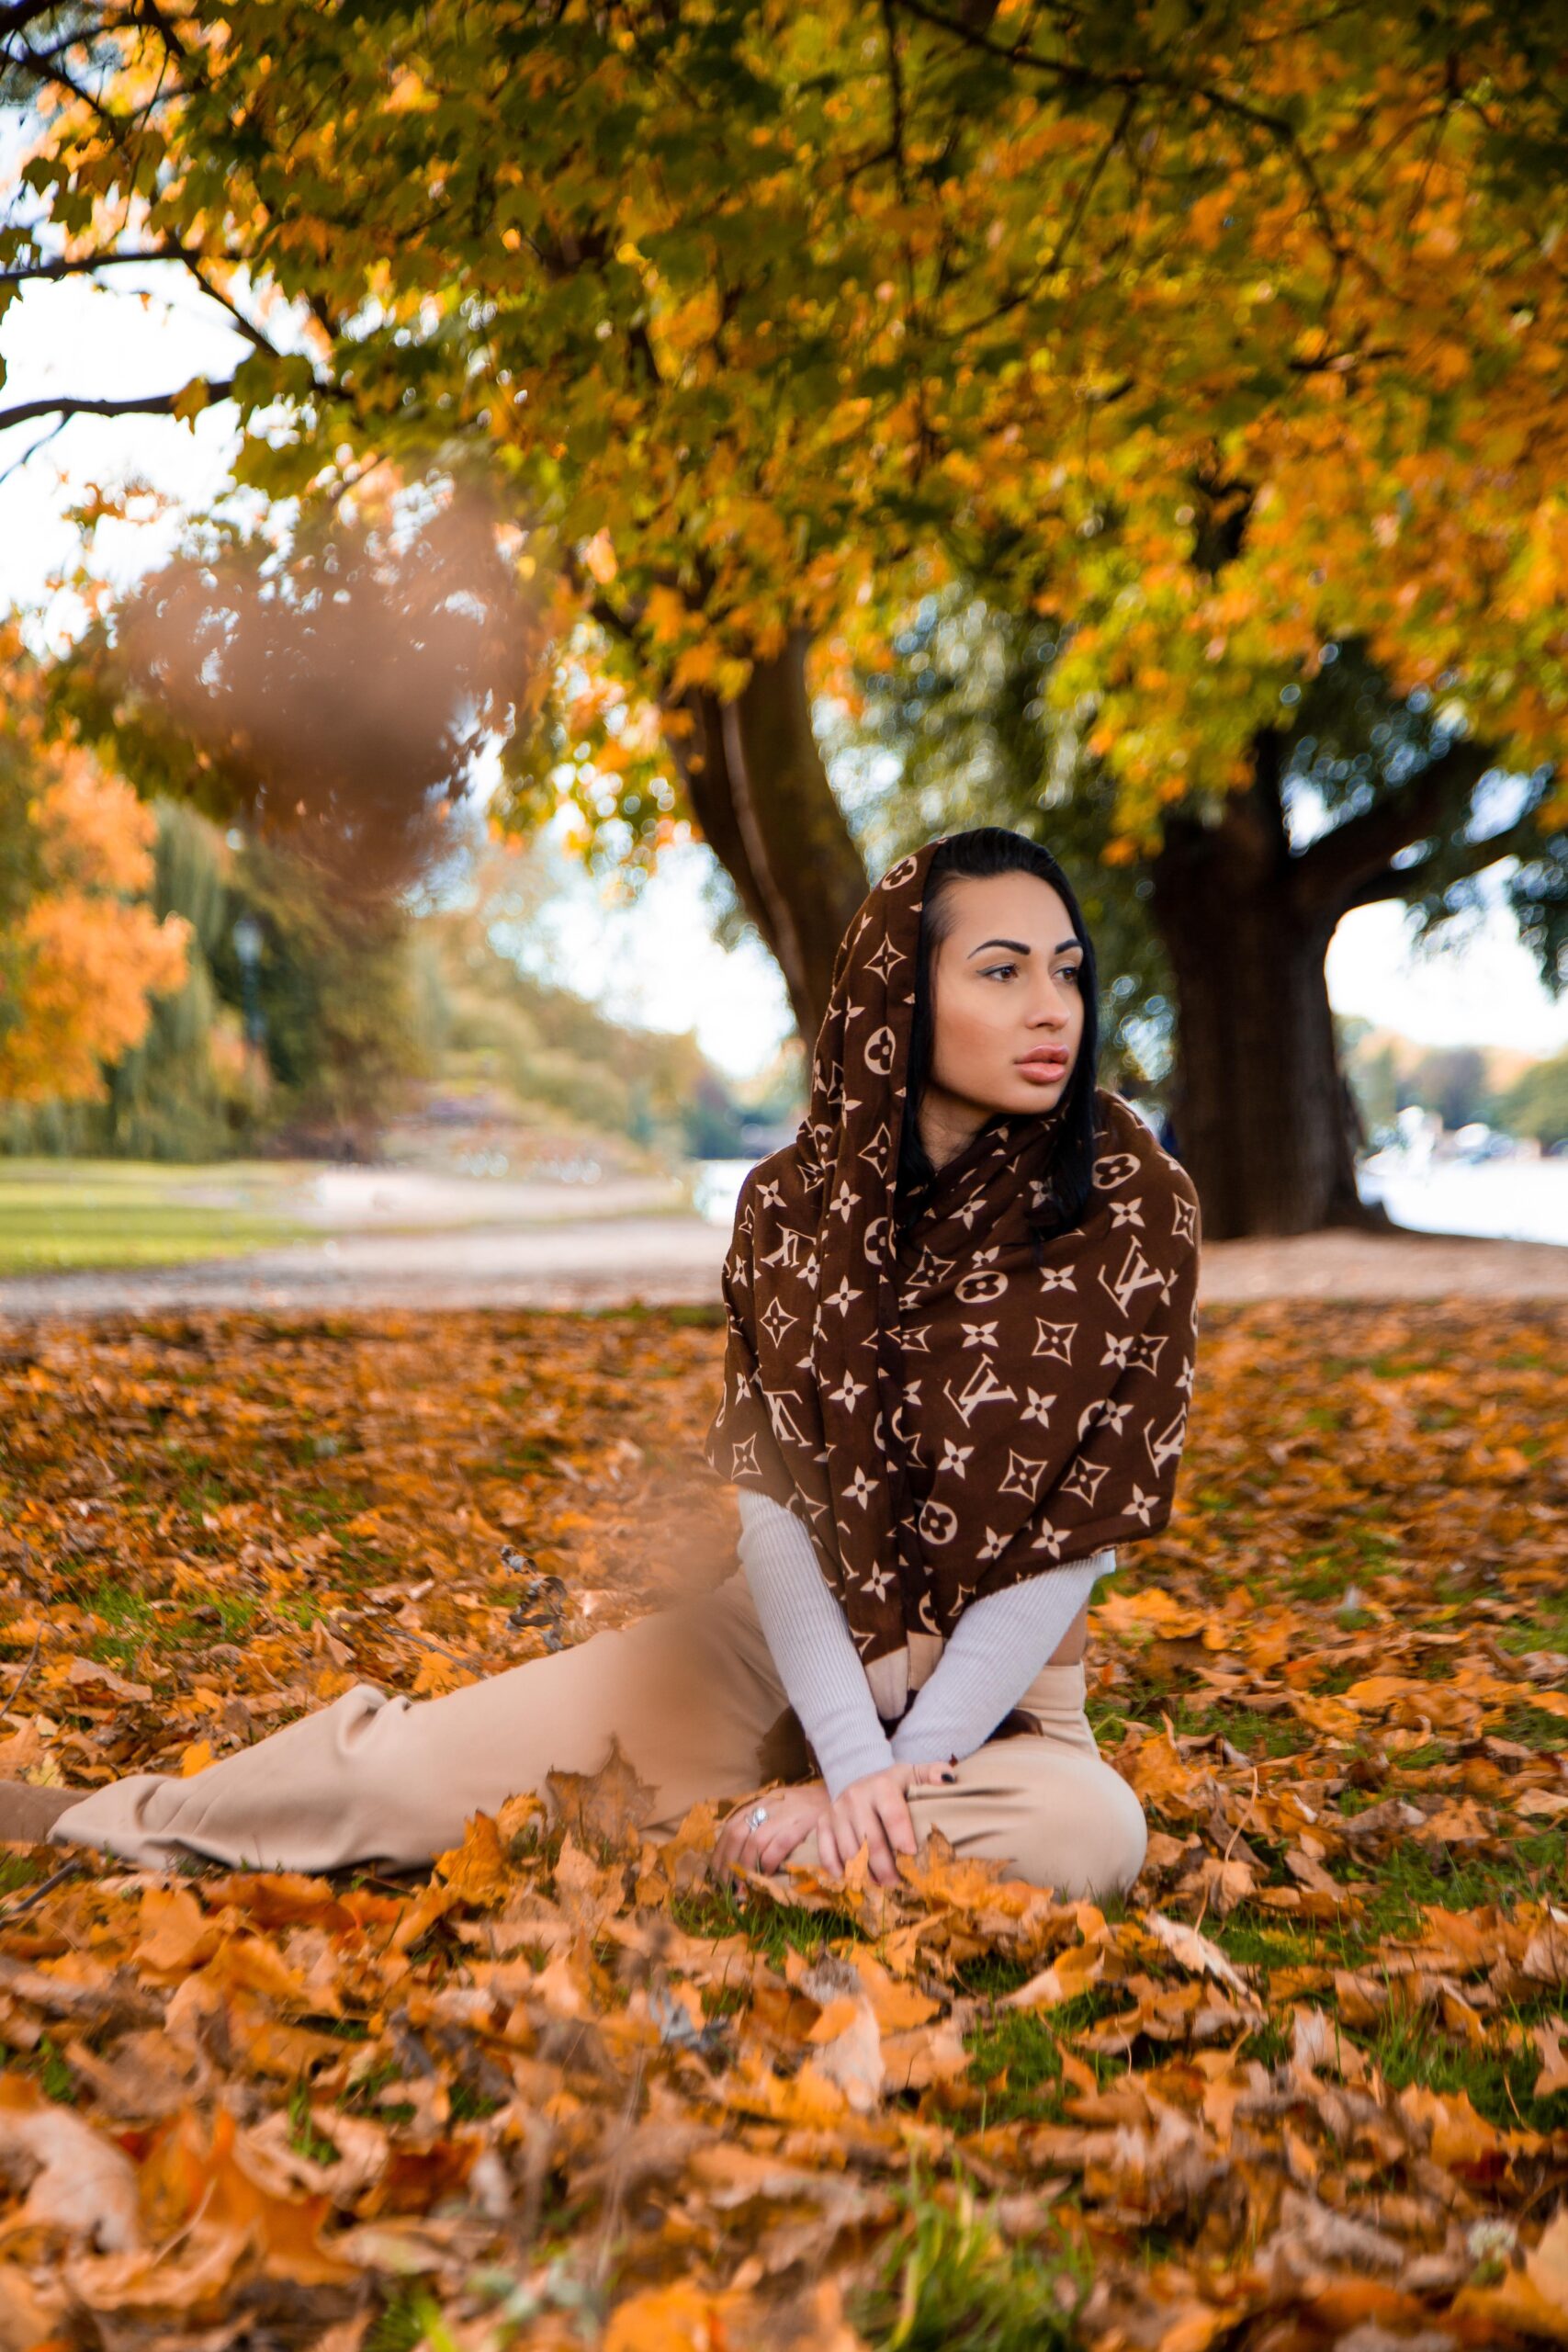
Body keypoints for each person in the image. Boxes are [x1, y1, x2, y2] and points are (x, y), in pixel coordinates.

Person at [0, 830, 1201, 1900]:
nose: (1052, 1009)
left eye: (1067, 972)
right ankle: (131, 1821)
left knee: (1085, 1832)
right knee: (412, 1781)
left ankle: (761, 1834)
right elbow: (775, 1518)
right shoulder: (790, 1210)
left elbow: (1064, 1553)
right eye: (1002, 971)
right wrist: (849, 1756)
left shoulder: (1135, 1212)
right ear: (901, 997)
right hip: (769, 1654)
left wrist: (885, 1778)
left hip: (999, 1720)